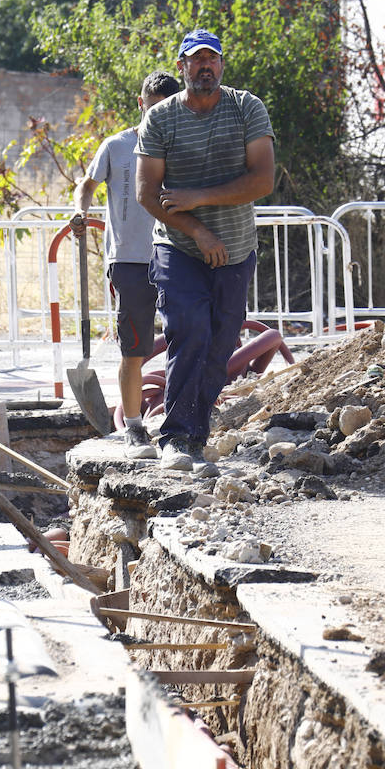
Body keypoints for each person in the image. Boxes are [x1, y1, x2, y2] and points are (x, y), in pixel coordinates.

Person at [135, 28, 275, 474]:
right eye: (196, 60)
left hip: (235, 249)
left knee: (220, 343)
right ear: (183, 67)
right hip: (179, 245)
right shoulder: (160, 119)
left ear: (222, 65)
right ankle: (174, 437)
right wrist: (196, 229)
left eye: (211, 59)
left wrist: (198, 197)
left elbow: (262, 181)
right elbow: (146, 192)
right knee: (188, 327)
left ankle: (197, 435)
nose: (205, 66)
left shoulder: (246, 107)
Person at [72, 69, 182, 457]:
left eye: (166, 109)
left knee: (187, 342)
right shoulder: (116, 146)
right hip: (131, 260)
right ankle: (134, 429)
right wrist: (80, 212)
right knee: (134, 348)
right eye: (152, 108)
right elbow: (86, 184)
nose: (158, 116)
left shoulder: (183, 144)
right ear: (141, 105)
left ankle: (181, 428)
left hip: (179, 255)